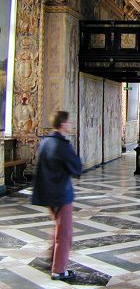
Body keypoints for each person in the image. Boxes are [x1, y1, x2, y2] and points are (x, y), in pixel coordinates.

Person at [31, 111, 83, 281]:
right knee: (65, 233)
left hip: (48, 193)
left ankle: (51, 258)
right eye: (69, 121)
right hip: (61, 194)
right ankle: (59, 270)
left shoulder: (45, 142)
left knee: (58, 229)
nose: (71, 124)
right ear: (62, 124)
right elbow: (77, 166)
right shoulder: (62, 145)